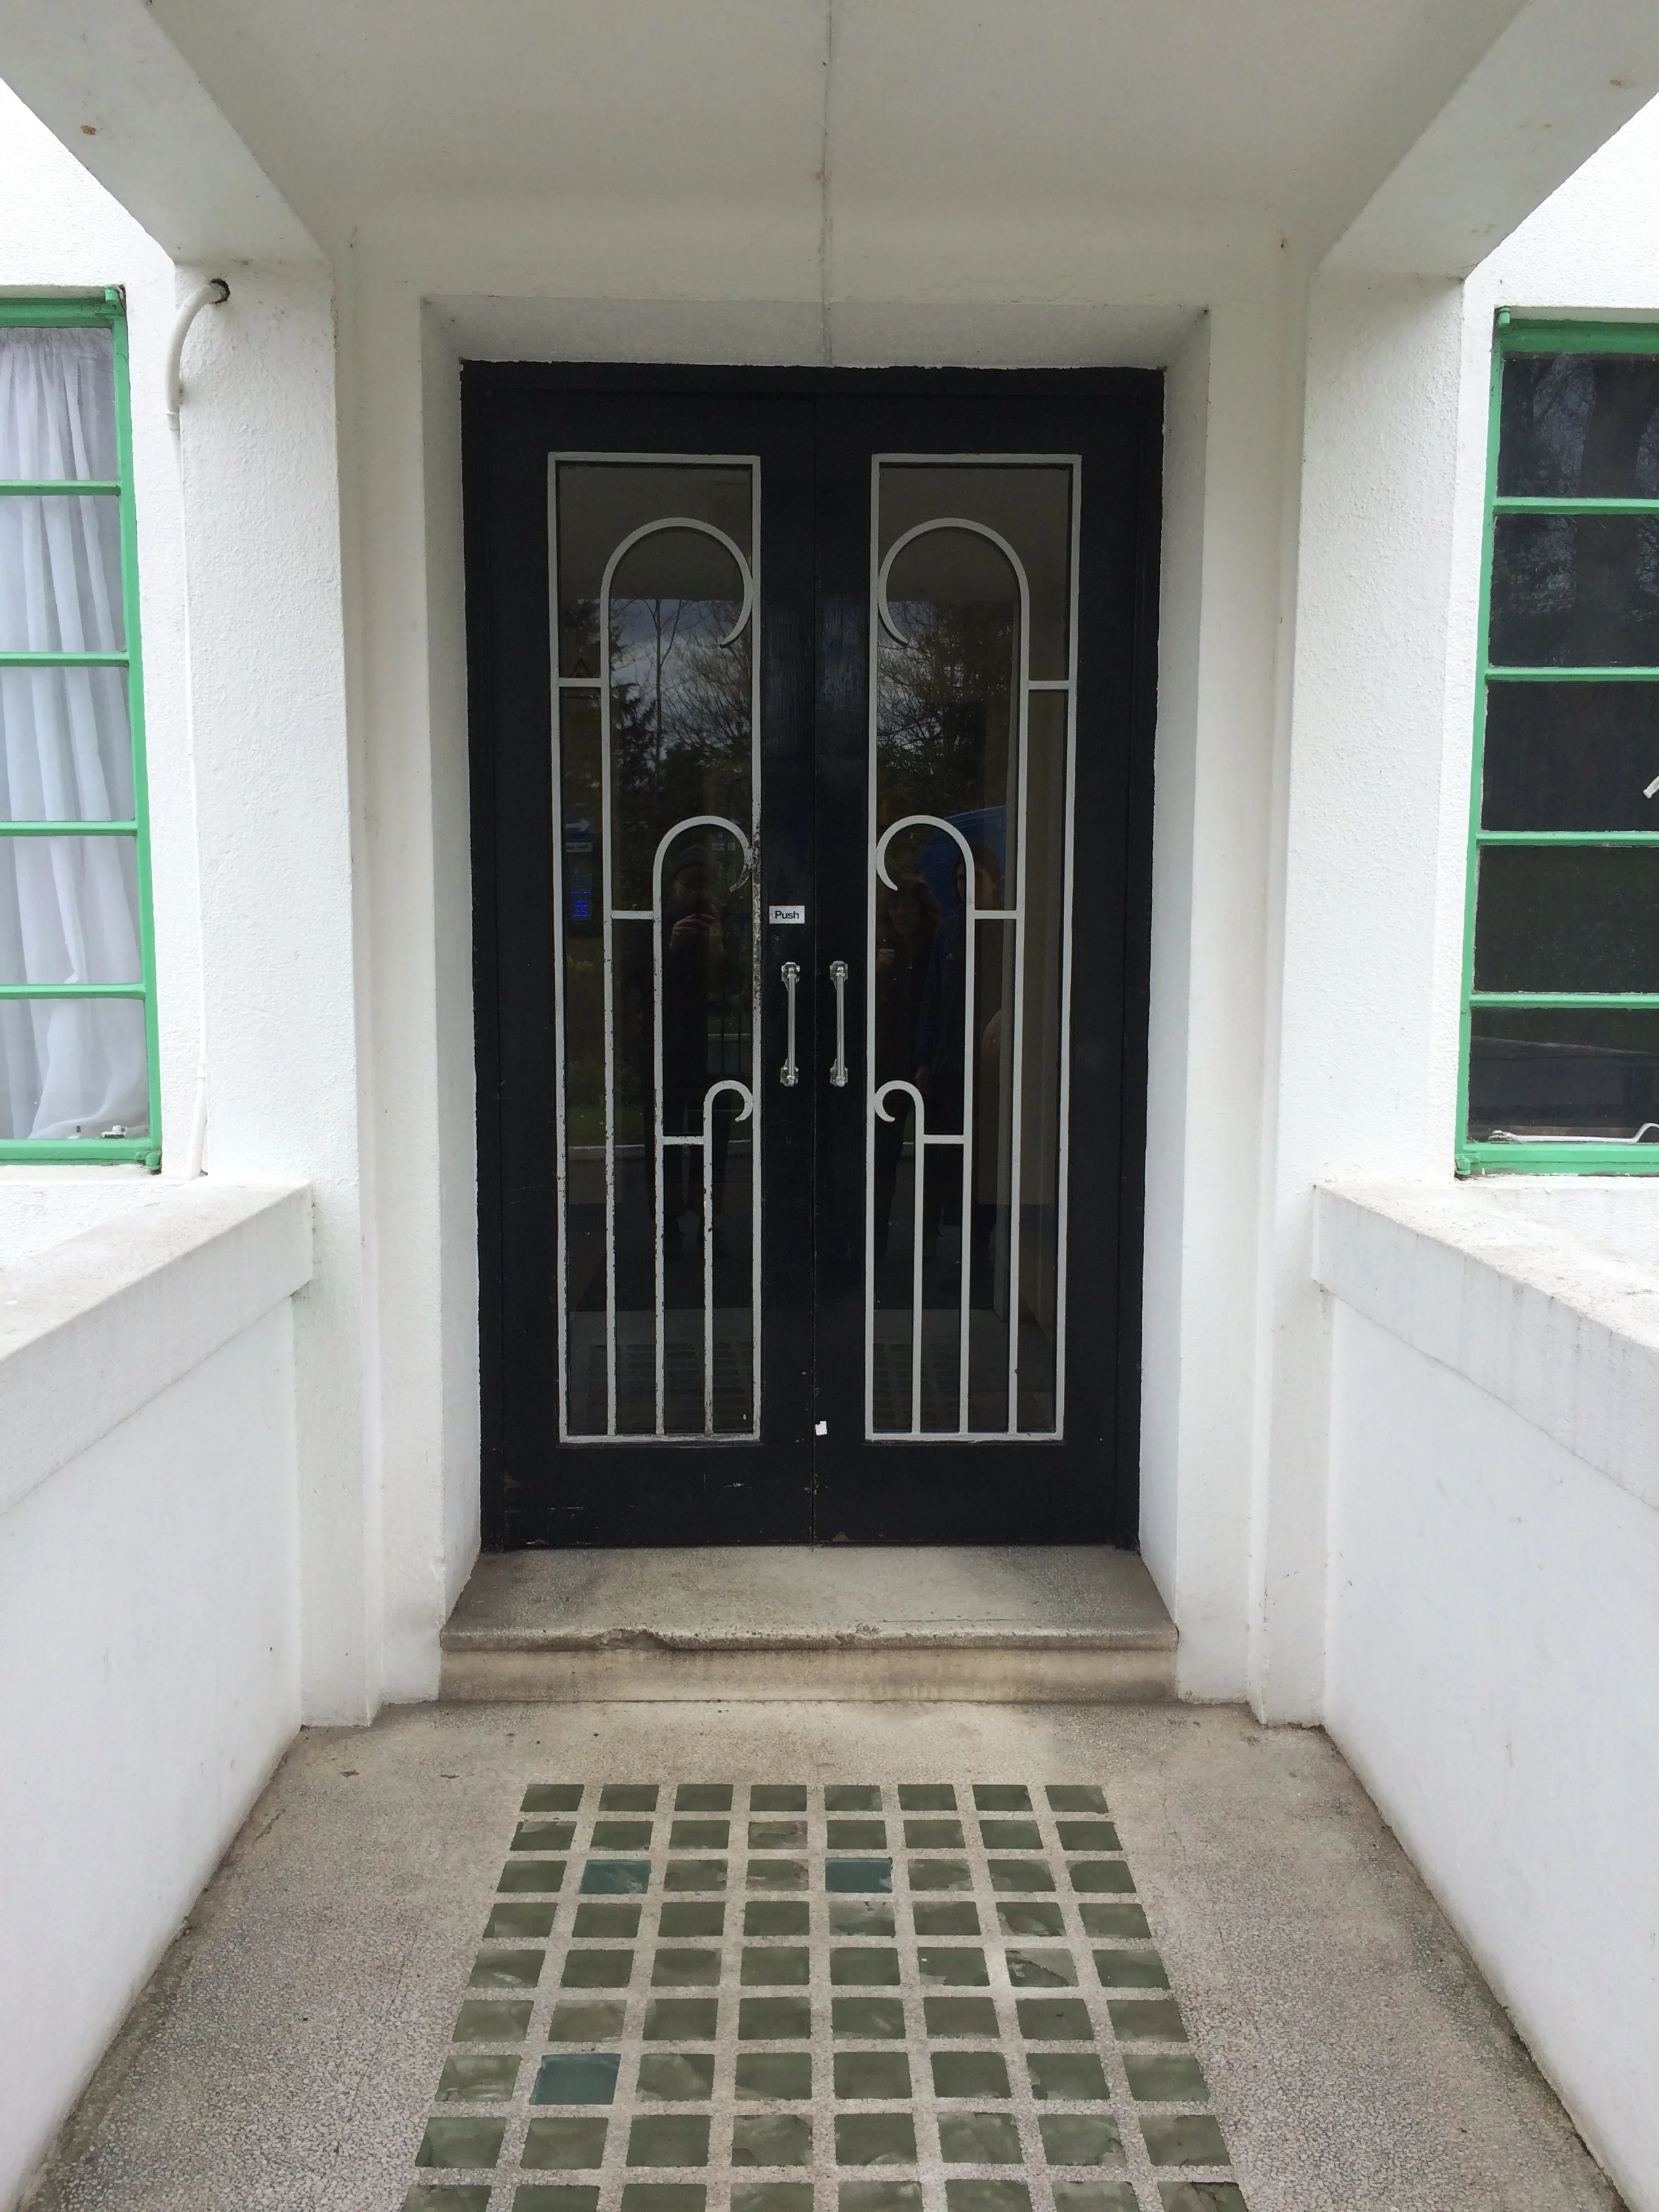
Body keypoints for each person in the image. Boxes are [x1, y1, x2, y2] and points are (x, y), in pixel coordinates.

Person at [914, 843, 1002, 1277]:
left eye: (977, 878)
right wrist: (924, 1060)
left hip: (994, 1066)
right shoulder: (950, 931)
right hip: (951, 1063)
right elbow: (932, 999)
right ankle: (940, 1246)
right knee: (946, 1157)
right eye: (962, 879)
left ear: (996, 882)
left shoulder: (1008, 929)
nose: (969, 888)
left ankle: (982, 1250)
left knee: (988, 1157)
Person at [872, 871, 940, 1261]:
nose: (899, 913)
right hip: (890, 1060)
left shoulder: (936, 945)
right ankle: (878, 1233)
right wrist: (877, 971)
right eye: (893, 905)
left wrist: (928, 1058)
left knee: (935, 1150)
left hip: (928, 1057)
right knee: (885, 1151)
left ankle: (930, 1235)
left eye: (906, 904)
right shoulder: (885, 949)